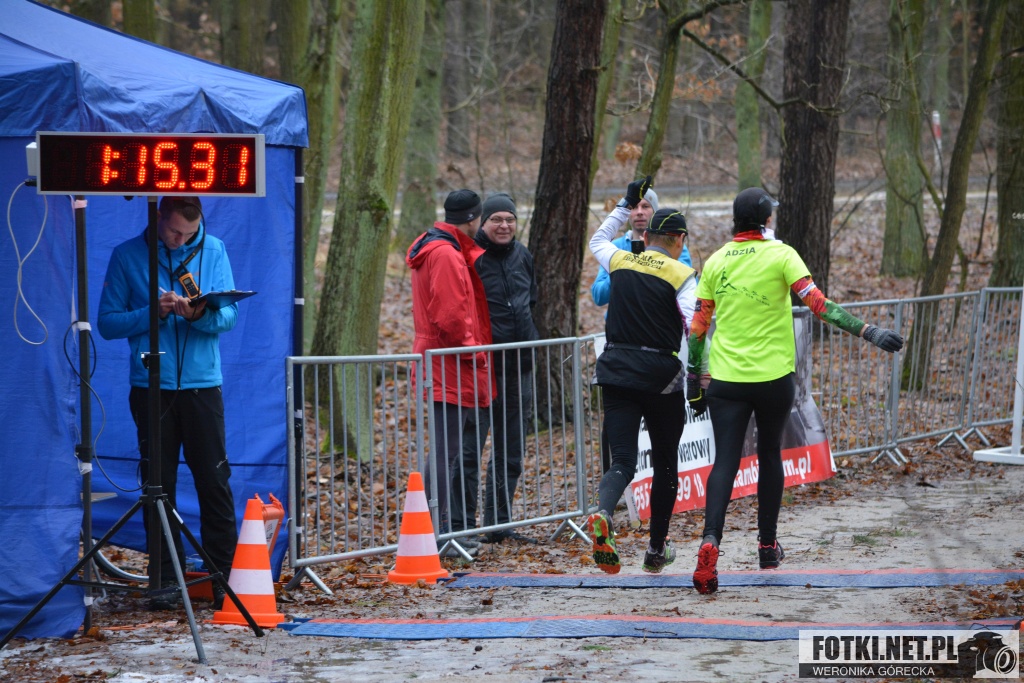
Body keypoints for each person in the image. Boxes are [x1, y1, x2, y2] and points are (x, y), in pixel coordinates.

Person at [687, 187, 905, 594]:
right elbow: (820, 305)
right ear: (766, 220)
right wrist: (868, 331)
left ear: (735, 220)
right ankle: (767, 547)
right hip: (774, 379)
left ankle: (710, 540)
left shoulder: (715, 261)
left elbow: (697, 327)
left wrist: (692, 380)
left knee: (725, 462)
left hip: (727, 381)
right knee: (770, 455)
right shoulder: (783, 255)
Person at [97, 196, 239, 611]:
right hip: (150, 386)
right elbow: (107, 323)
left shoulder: (214, 249)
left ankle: (224, 579)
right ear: (158, 217)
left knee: (213, 481)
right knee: (157, 485)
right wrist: (153, 313)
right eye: (175, 232)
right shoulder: (127, 256)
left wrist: (198, 316)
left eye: (189, 234)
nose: (181, 240)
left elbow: (228, 317)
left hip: (202, 385)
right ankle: (164, 580)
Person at [587, 176, 697, 574]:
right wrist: (699, 375)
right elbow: (695, 327)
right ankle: (655, 550)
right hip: (661, 378)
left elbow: (598, 239)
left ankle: (603, 512)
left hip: (615, 370)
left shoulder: (619, 259)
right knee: (666, 464)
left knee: (622, 461)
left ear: (646, 236)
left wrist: (625, 203)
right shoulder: (682, 274)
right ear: (679, 239)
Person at [406, 189, 494, 558]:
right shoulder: (445, 253)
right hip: (450, 362)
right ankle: (435, 533)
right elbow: (452, 316)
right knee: (446, 451)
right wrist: (475, 352)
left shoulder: (438, 247)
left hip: (446, 361)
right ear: (474, 218)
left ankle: (436, 531)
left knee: (447, 450)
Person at [454, 193, 540, 544]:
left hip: (519, 367)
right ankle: (463, 528)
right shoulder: (470, 258)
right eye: (496, 220)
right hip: (481, 370)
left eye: (510, 219)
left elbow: (531, 299)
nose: (504, 226)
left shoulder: (523, 256)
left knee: (512, 451)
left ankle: (498, 524)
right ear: (483, 222)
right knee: (469, 451)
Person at [590, 185, 692, 308]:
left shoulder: (673, 246)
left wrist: (651, 256)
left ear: (655, 211)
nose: (639, 212)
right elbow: (599, 296)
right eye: (634, 207)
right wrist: (624, 267)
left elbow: (687, 286)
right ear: (628, 213)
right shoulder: (616, 247)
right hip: (620, 318)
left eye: (645, 206)